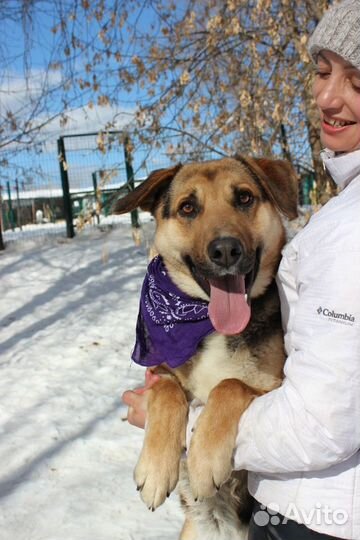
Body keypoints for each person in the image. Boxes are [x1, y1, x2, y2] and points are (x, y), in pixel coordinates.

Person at [122, 1, 360, 538]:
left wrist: (208, 420)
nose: (223, 237)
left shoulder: (350, 229)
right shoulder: (171, 314)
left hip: (302, 515)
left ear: (276, 204)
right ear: (158, 225)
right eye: (190, 209)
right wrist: (164, 401)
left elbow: (321, 414)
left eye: (244, 200)